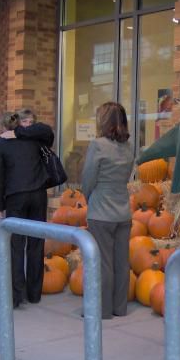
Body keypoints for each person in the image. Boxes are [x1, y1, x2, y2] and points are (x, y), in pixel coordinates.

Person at [0, 110, 53, 308]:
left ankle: (17, 295)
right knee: (36, 244)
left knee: (16, 246)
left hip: (15, 197)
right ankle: (34, 293)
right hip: (38, 194)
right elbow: (48, 132)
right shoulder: (34, 140)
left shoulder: (1, 145)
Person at [81, 102, 134, 319]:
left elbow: (87, 179)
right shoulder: (129, 146)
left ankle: (101, 311)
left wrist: (89, 199)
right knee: (122, 263)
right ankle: (119, 308)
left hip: (101, 211)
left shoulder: (98, 145)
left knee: (102, 263)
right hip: (123, 211)